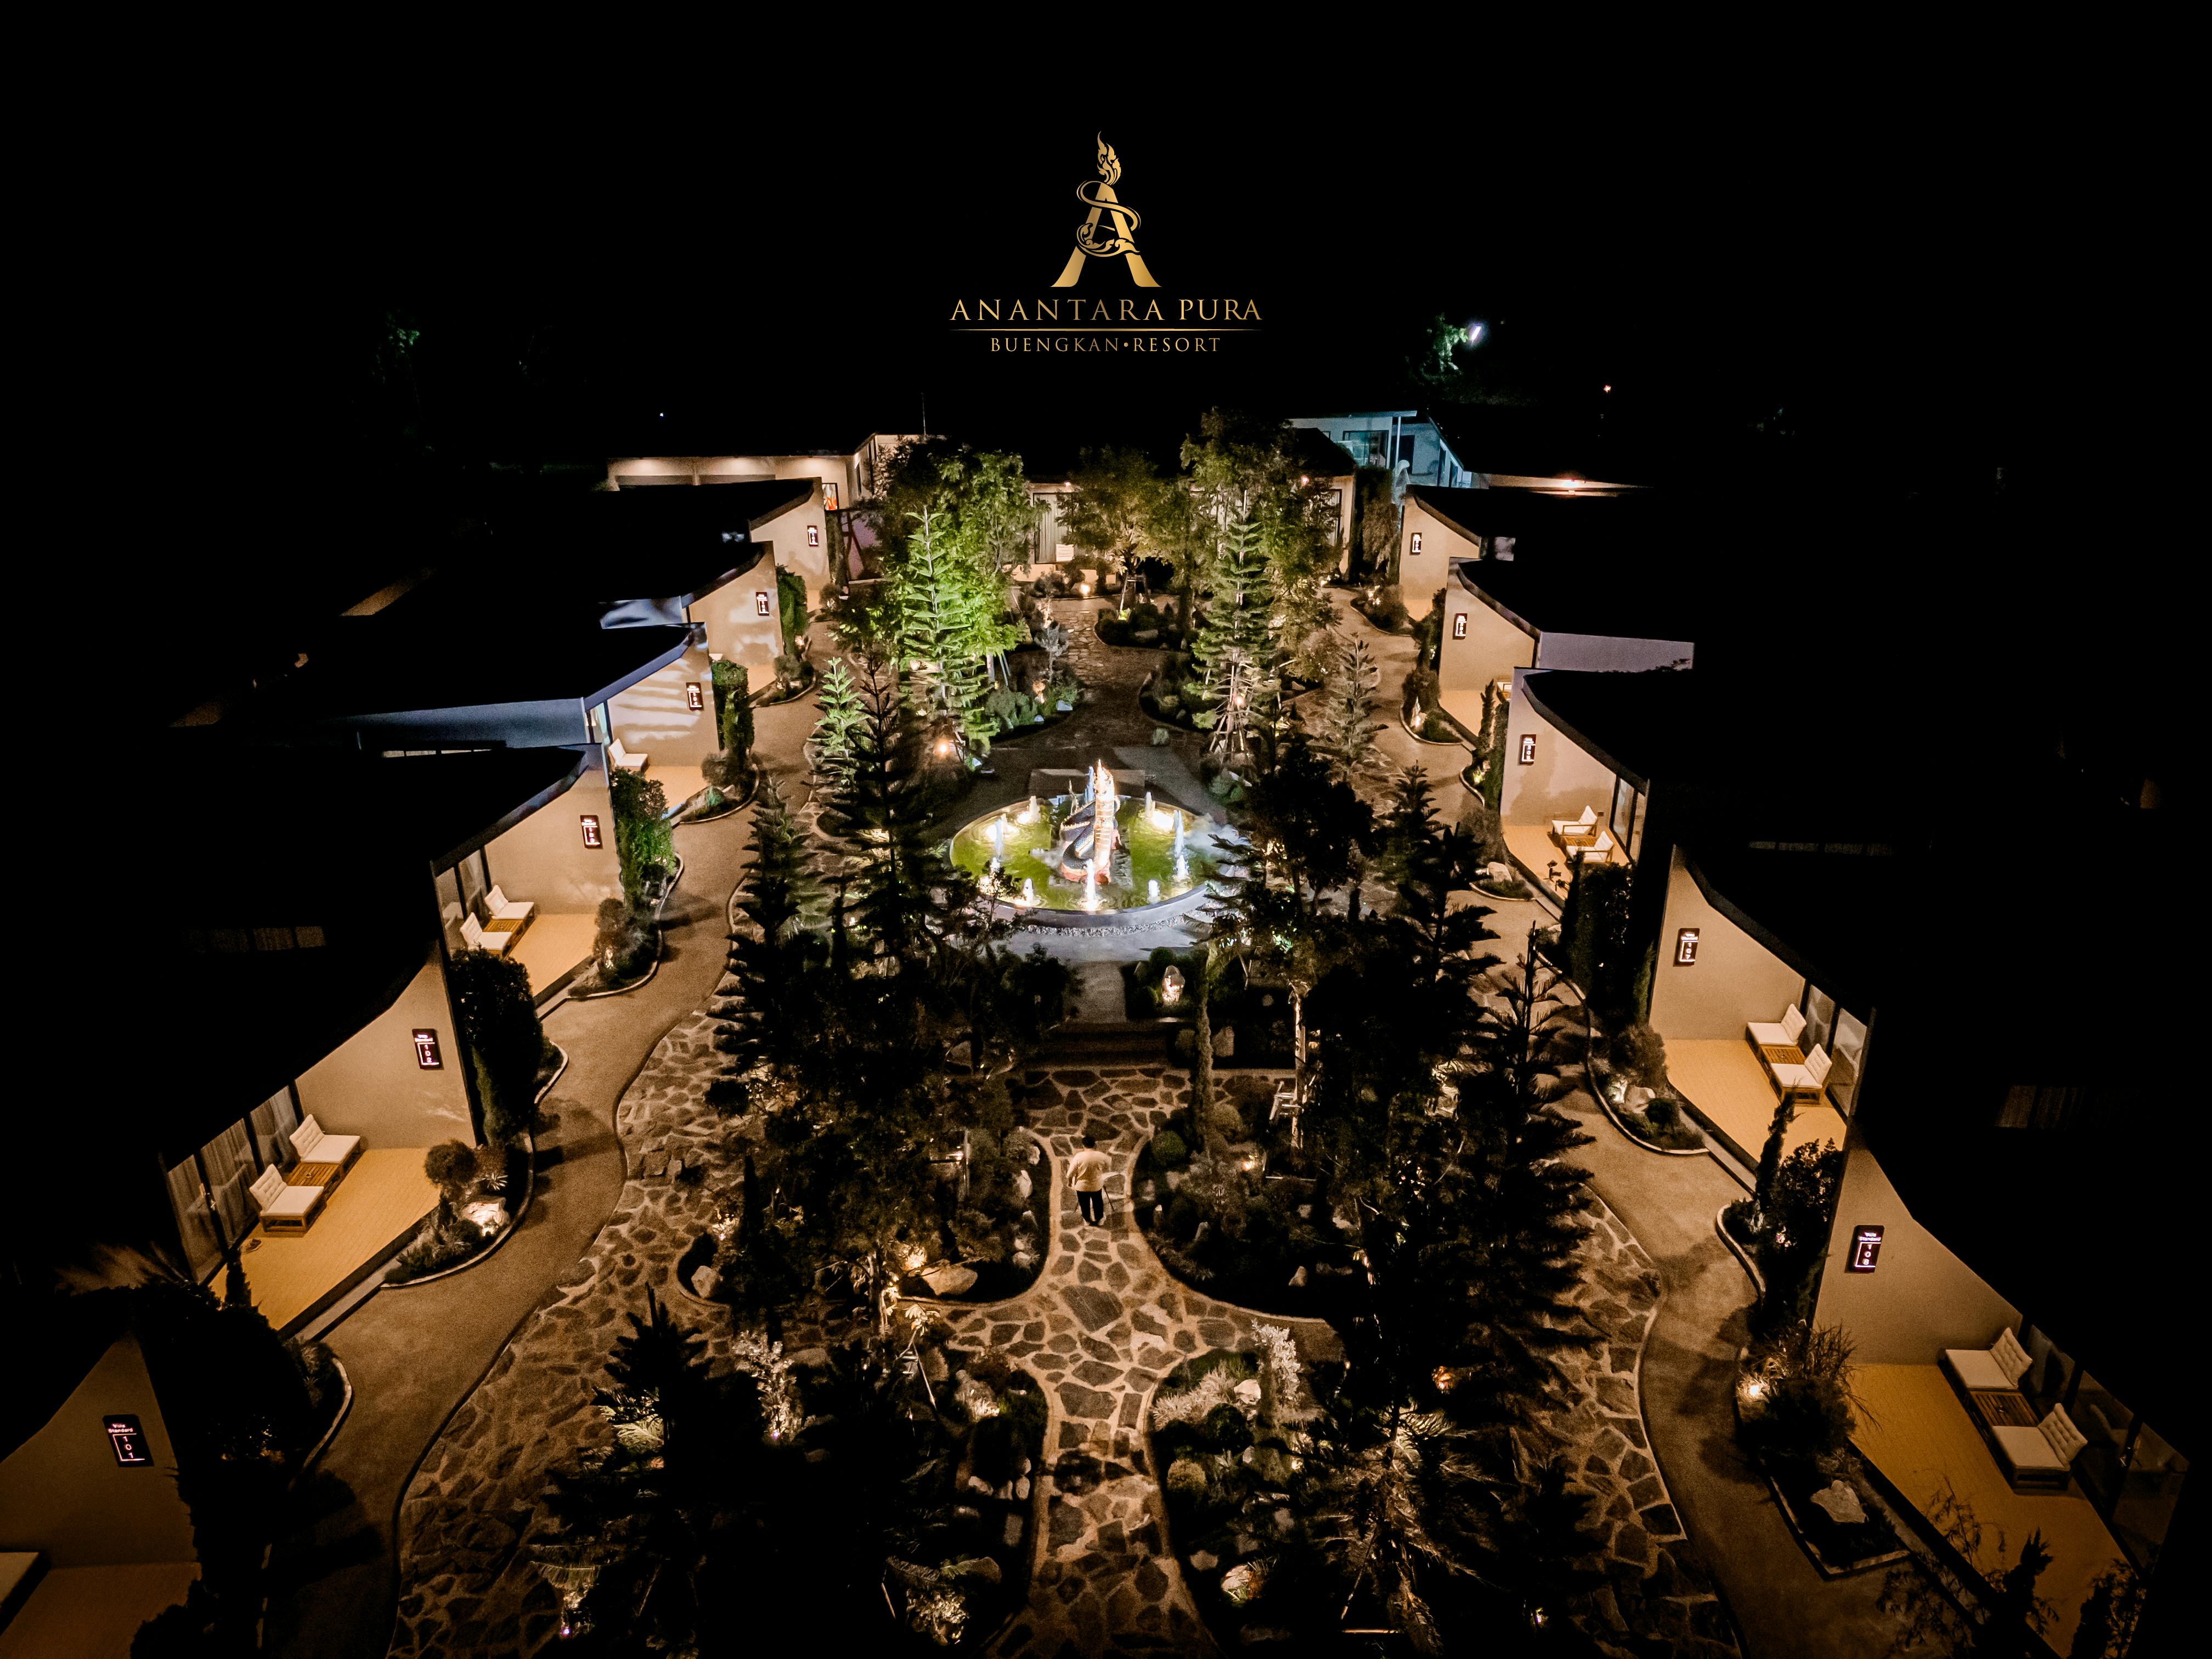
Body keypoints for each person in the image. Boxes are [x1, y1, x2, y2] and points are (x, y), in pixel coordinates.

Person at [1068, 1132, 1110, 1227]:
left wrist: (1070, 1182)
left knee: (1084, 1203)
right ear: (1094, 1145)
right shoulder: (1101, 1155)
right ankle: (1100, 1219)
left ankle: (1087, 1220)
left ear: (1083, 1145)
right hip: (1096, 1185)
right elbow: (1110, 1164)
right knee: (1098, 1202)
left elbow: (1070, 1174)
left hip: (1082, 1186)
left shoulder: (1078, 1157)